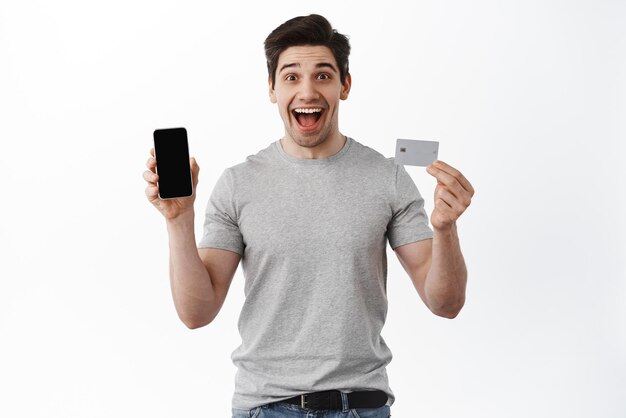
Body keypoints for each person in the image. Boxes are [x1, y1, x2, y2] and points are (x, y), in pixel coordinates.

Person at [144, 14, 474, 418]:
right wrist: (179, 220)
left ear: (344, 86)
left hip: (362, 406)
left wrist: (445, 229)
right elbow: (197, 313)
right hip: (265, 408)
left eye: (322, 75)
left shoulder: (387, 178)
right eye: (291, 77)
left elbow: (446, 302)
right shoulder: (238, 184)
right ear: (271, 89)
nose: (307, 91)